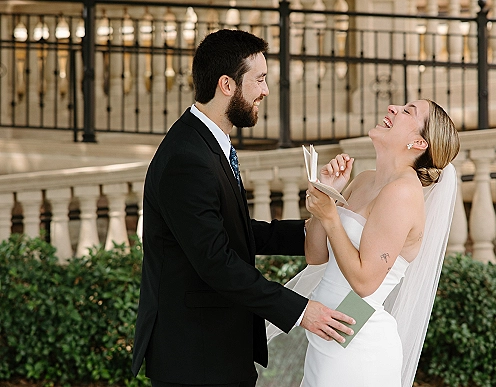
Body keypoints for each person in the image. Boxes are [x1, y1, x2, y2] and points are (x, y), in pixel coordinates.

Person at [131, 29, 354, 387]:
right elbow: (215, 261)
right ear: (227, 84)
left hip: (217, 349)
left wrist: (318, 227)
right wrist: (300, 311)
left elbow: (236, 231)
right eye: (260, 79)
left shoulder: (206, 142)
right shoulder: (186, 158)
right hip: (195, 356)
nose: (266, 90)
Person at [268, 99, 460, 387]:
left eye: (408, 111)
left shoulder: (404, 193)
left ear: (419, 143)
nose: (394, 107)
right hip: (331, 337)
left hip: (360, 352)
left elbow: (365, 284)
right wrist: (329, 193)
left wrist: (332, 218)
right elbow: (315, 256)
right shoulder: (365, 180)